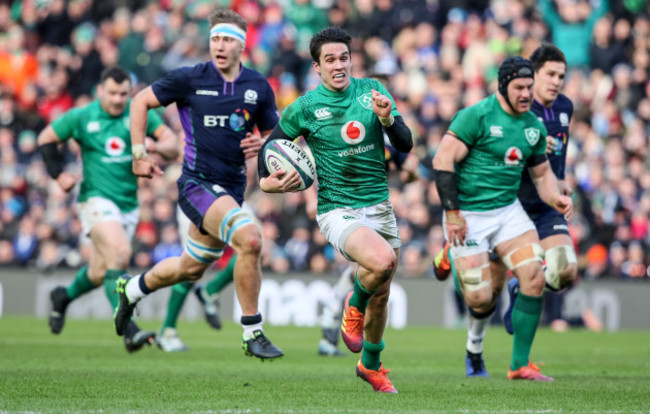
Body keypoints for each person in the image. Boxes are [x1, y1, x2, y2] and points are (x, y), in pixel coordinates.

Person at [114, 8, 283, 360]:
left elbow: (274, 138)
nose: (219, 46)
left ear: (242, 45)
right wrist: (138, 153)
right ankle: (252, 331)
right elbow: (140, 100)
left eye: (227, 40)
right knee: (250, 239)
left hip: (232, 188)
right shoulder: (190, 78)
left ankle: (131, 290)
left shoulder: (257, 87)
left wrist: (264, 145)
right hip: (197, 184)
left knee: (189, 267)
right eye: (215, 39)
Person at [258, 27, 413, 392]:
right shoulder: (305, 107)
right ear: (317, 66)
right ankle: (351, 304)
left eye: (344, 57)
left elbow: (404, 144)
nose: (339, 65)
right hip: (336, 209)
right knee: (382, 262)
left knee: (384, 293)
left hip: (379, 206)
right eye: (330, 59)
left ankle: (370, 367)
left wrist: (389, 118)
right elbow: (268, 157)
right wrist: (269, 183)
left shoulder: (373, 92)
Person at [431, 56, 572, 382]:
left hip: (508, 212)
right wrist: (452, 215)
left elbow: (542, 177)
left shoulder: (533, 127)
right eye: (519, 87)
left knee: (534, 277)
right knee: (480, 297)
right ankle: (474, 348)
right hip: (468, 213)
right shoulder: (475, 116)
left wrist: (556, 197)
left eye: (529, 87)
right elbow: (442, 159)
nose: (526, 94)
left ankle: (519, 364)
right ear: (503, 86)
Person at [38, 66, 178, 353]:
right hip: (95, 199)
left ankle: (62, 298)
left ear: (130, 93)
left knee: (101, 271)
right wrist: (59, 174)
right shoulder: (82, 116)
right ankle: (129, 331)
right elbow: (46, 138)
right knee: (121, 253)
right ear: (100, 90)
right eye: (112, 93)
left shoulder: (139, 112)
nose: (117, 99)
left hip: (129, 203)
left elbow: (173, 145)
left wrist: (157, 146)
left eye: (123, 94)